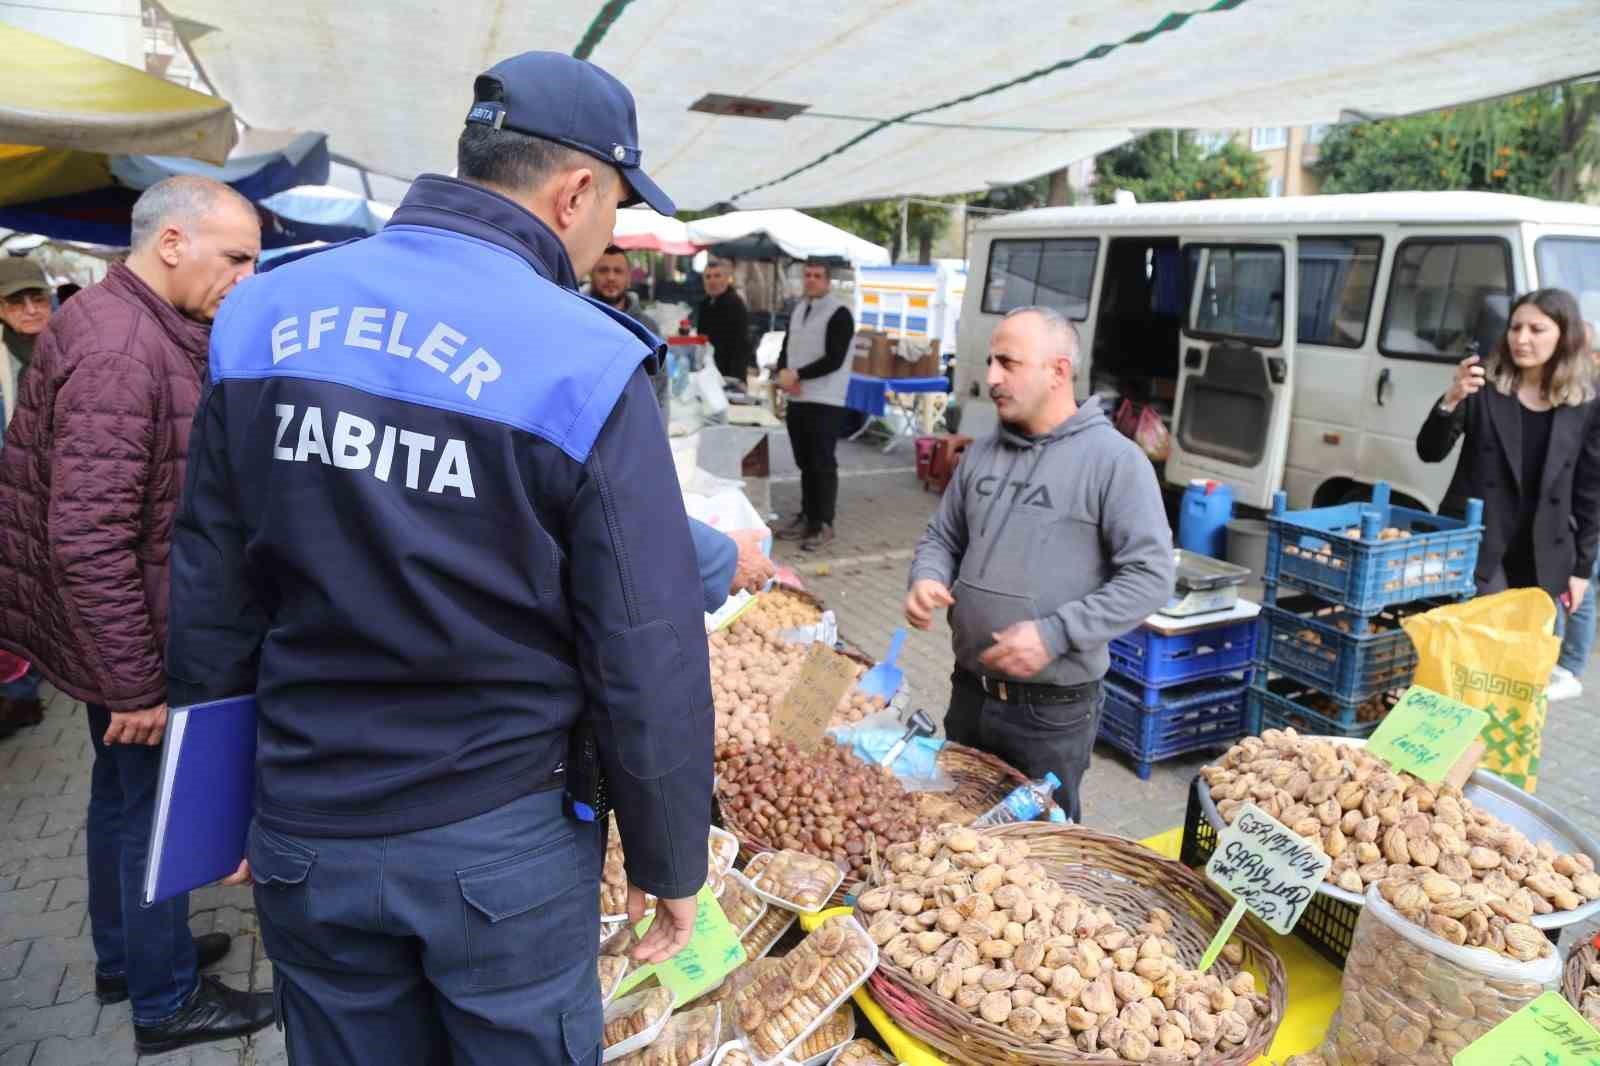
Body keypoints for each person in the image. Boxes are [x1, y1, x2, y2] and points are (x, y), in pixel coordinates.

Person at [168, 51, 714, 1064]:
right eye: (614, 209)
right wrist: (669, 854)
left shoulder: (262, 313)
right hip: (495, 840)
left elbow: (210, 585)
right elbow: (645, 643)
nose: (604, 236)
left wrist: (209, 807)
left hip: (304, 821)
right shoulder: (583, 356)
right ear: (576, 189)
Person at [0, 175, 271, 1054]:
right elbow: (88, 533)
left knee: (121, 805)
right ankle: (166, 1001)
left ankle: (127, 958)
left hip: (101, 628)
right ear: (172, 243)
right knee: (156, 813)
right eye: (235, 256)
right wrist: (135, 684)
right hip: (132, 637)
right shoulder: (123, 345)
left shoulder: (129, 319)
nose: (246, 275)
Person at [903, 306, 1173, 823]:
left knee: (1040, 859)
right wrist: (928, 575)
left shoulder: (1115, 463)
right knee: (958, 832)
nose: (992, 378)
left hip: (1051, 711)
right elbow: (944, 534)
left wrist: (1055, 633)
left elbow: (1151, 576)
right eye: (990, 362)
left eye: (1008, 363)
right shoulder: (981, 453)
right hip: (969, 690)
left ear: (1057, 370)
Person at [1417, 288, 1600, 630]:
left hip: (1544, 547)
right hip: (1481, 541)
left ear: (1564, 336)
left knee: (1528, 660)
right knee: (1485, 643)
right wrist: (1450, 400)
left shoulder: (1585, 401)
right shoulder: (1484, 385)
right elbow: (1429, 452)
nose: (1522, 339)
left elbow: (1590, 490)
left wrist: (1581, 571)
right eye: (1515, 328)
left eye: (1536, 329)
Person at [0, 256, 54, 735]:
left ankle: (32, 679)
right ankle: (20, 690)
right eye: (17, 300)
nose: (31, 308)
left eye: (38, 297)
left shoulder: (68, 348)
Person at [774, 260, 855, 552]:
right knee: (804, 462)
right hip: (798, 397)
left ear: (828, 281)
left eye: (817, 276)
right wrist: (783, 372)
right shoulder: (798, 308)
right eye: (807, 276)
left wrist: (798, 375)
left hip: (825, 399)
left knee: (822, 463)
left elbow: (834, 358)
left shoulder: (840, 313)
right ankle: (808, 516)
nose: (811, 281)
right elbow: (788, 346)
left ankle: (824, 523)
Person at [1546, 319, 1600, 701]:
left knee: (1580, 580)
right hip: (1584, 502)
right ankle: (1565, 664)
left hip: (1588, 504)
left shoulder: (1590, 392)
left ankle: (1569, 667)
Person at [697, 257, 753, 381]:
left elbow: (741, 345)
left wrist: (736, 378)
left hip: (730, 374)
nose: (712, 281)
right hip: (709, 371)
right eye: (708, 277)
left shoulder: (735, 304)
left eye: (717, 276)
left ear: (727, 279)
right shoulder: (704, 304)